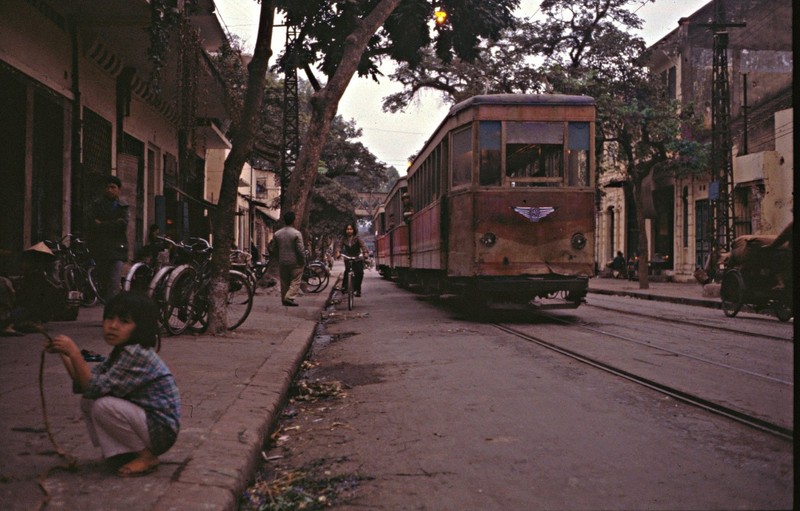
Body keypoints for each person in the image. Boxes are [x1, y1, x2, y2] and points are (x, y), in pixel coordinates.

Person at [46, 292, 180, 477]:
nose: (113, 326)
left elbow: (91, 385)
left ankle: (146, 456)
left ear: (140, 328)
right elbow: (87, 383)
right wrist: (65, 353)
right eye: (109, 318)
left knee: (103, 406)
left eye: (124, 321)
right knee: (89, 401)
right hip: (148, 424)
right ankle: (123, 453)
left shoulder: (136, 355)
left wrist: (75, 354)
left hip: (160, 431)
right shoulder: (121, 352)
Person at [90, 175, 129, 301]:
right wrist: (112, 224)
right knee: (103, 281)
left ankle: (111, 312)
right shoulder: (97, 205)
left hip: (117, 250)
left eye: (113, 187)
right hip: (101, 249)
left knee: (114, 282)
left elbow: (122, 224)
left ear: (119, 190)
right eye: (107, 187)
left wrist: (102, 224)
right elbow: (91, 223)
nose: (109, 190)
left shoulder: (123, 206)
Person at [268, 211, 305, 307]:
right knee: (295, 281)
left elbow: (274, 248)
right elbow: (300, 249)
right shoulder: (297, 234)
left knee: (284, 281)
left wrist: (278, 258)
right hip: (295, 261)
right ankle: (289, 298)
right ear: (293, 221)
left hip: (282, 261)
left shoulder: (277, 234)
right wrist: (303, 260)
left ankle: (284, 299)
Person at [334, 223, 369, 297]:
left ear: (353, 230)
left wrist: (365, 253)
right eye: (347, 229)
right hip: (348, 257)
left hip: (357, 257)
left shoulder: (357, 237)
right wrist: (338, 252)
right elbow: (339, 246)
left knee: (359, 273)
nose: (349, 231)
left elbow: (363, 245)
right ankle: (344, 287)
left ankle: (357, 290)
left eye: (350, 229)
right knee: (347, 271)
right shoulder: (343, 238)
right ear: (345, 230)